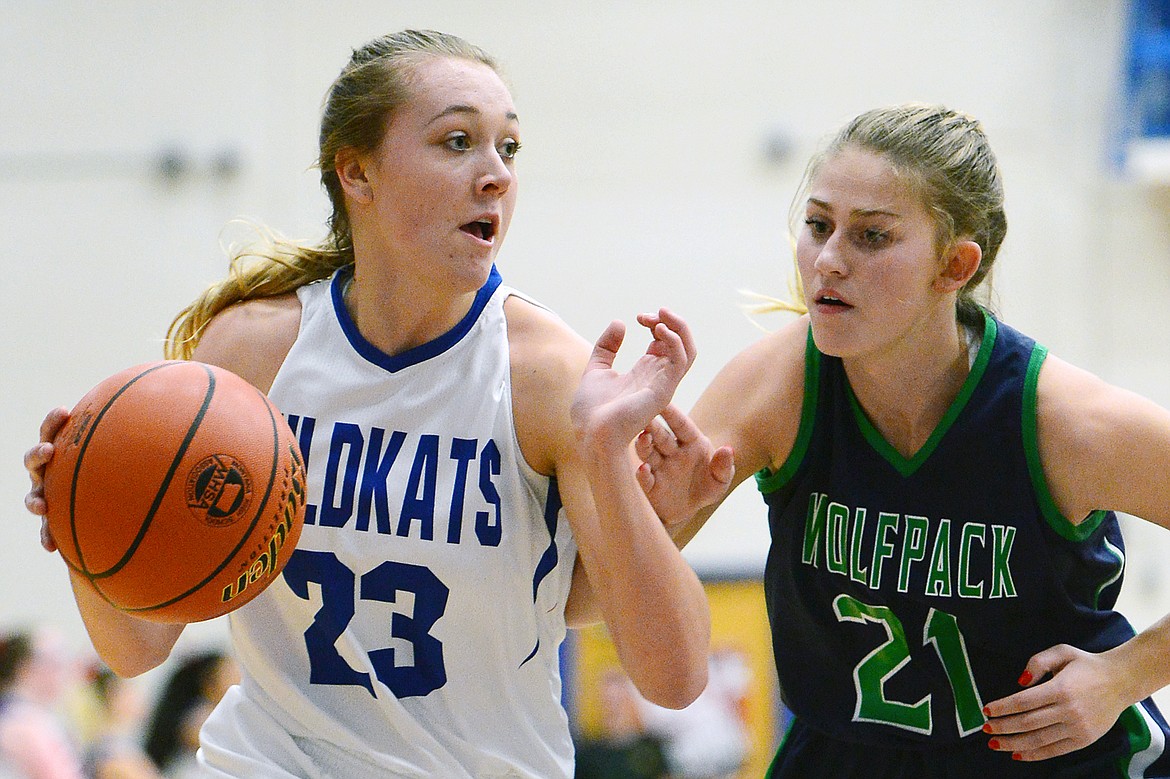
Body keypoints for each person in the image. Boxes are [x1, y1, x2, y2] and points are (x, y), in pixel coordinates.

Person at [21, 29, 709, 778]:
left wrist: (611, 459)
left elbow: (675, 680)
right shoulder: (255, 351)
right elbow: (135, 647)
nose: (496, 177)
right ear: (357, 172)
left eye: (508, 149)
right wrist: (86, 509)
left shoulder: (550, 377)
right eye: (457, 142)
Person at [625, 103, 1170, 776]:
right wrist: (652, 514)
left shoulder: (1061, 418)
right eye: (818, 225)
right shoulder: (780, 383)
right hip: (843, 754)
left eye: (871, 237)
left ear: (954, 266)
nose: (826, 260)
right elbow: (595, 596)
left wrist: (1125, 673)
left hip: (1049, 759)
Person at [0, 628, 85, 779]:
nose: (64, 673)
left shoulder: (30, 717)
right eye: (55, 663)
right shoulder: (23, 725)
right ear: (25, 668)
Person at [142, 651, 238, 778]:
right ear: (210, 683)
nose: (238, 675)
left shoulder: (229, 712)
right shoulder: (200, 717)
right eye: (229, 672)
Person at [77, 662, 163, 779]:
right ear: (113, 696)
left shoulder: (121, 747)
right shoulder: (113, 753)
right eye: (128, 691)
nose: (136, 697)